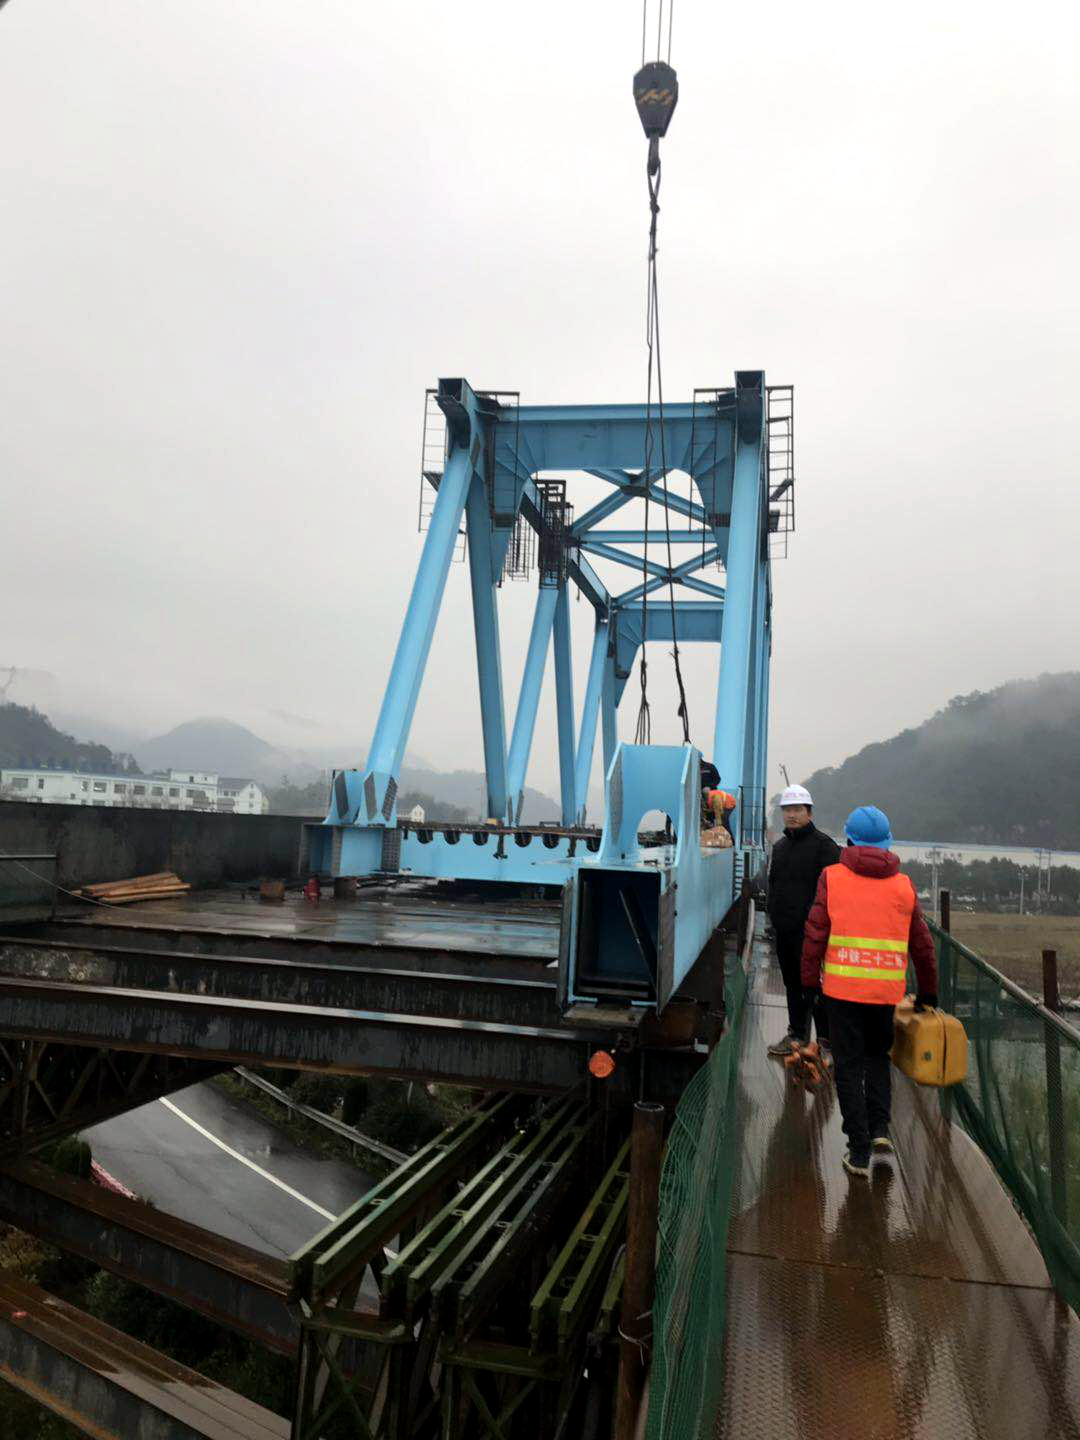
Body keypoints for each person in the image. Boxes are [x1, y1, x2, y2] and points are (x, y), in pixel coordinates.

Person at [801, 804, 938, 1178]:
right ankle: (879, 1130)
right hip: (885, 995)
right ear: (887, 844)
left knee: (848, 1067)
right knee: (878, 1058)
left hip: (841, 992)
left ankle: (858, 1151)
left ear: (849, 840)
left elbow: (815, 934)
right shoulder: (904, 886)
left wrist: (809, 983)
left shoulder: (832, 878)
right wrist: (928, 992)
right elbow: (922, 945)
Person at [765, 784, 840, 1059]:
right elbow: (774, 884)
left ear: (809, 812)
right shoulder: (780, 847)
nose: (791, 815)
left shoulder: (825, 847)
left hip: (814, 934)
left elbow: (835, 893)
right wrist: (775, 917)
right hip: (785, 931)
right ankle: (797, 1035)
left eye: (797, 809)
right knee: (792, 985)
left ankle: (825, 1043)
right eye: (787, 810)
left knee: (816, 987)